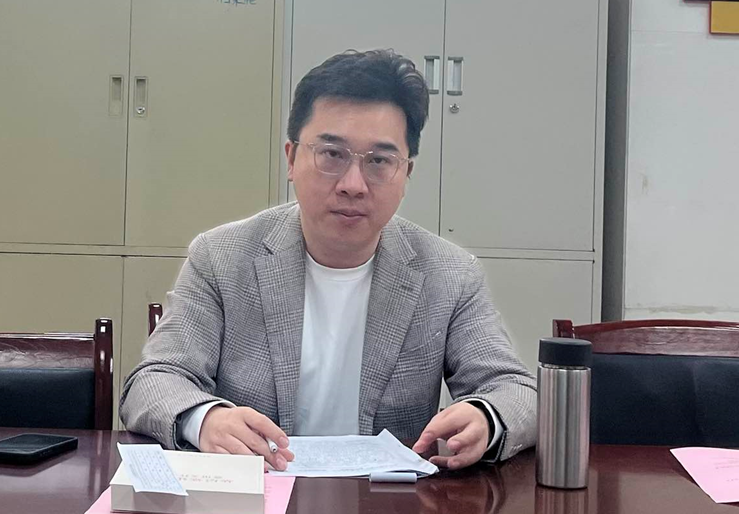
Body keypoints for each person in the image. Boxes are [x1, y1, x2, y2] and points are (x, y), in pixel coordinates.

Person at [120, 49, 536, 471]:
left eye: (379, 161)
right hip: (261, 493)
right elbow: (154, 380)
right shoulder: (222, 257)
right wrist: (206, 420)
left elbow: (516, 390)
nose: (353, 185)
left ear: (406, 174)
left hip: (387, 502)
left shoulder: (449, 274)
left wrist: (486, 417)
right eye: (332, 155)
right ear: (291, 159)